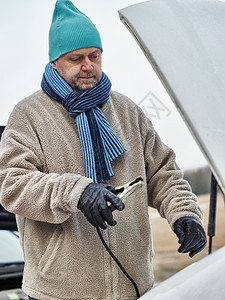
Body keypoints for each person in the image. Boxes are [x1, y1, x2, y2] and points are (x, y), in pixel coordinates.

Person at [0, 1, 207, 299]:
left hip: (133, 287)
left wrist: (185, 213)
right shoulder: (28, 115)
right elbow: (11, 184)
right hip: (58, 293)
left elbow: (163, 173)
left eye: (94, 56)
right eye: (76, 58)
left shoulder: (128, 111)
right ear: (55, 63)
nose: (88, 65)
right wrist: (76, 192)